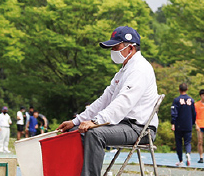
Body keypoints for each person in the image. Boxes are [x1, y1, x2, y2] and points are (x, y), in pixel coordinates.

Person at [58, 26, 159, 176]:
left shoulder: (140, 69)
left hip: (139, 128)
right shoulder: (123, 71)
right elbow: (103, 100)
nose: (112, 51)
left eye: (115, 47)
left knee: (94, 133)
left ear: (130, 48)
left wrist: (96, 121)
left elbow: (123, 103)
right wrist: (76, 121)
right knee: (74, 132)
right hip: (123, 124)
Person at [171, 83, 196, 167]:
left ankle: (180, 160)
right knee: (187, 142)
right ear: (187, 89)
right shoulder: (191, 100)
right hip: (188, 124)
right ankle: (188, 153)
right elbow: (194, 113)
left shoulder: (176, 100)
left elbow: (174, 113)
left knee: (179, 143)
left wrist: (173, 123)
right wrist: (193, 122)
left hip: (179, 125)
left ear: (179, 89)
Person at [195, 89, 204, 163]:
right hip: (200, 125)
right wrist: (196, 125)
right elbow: (194, 116)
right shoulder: (196, 104)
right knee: (200, 142)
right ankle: (201, 157)